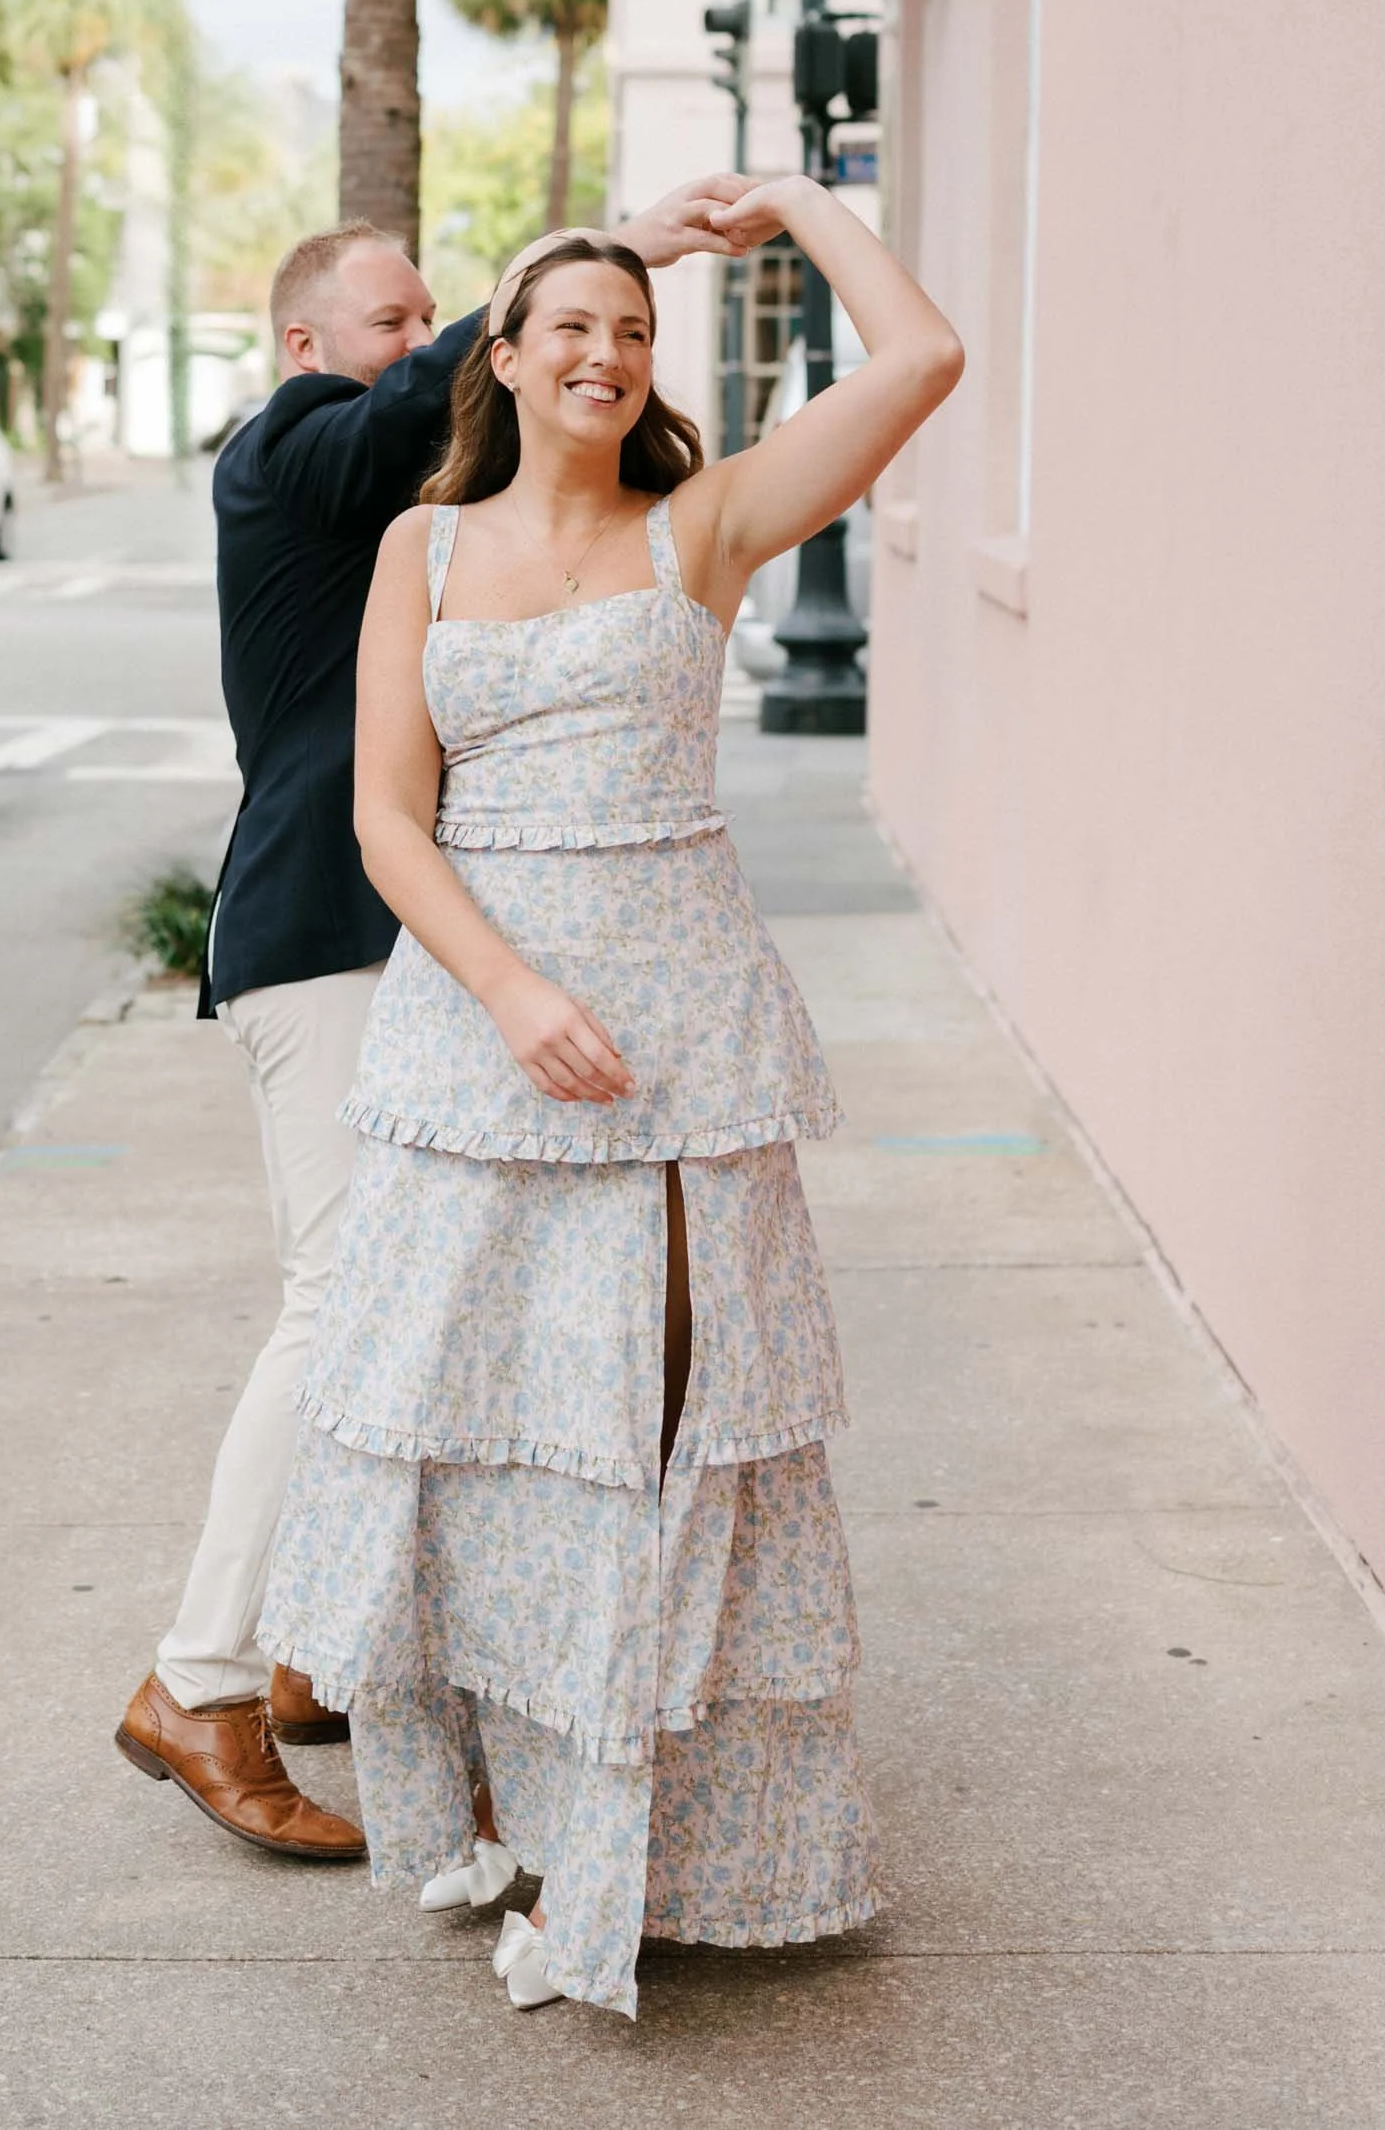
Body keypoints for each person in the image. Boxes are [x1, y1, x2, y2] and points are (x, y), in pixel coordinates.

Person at [260, 180, 964, 2011]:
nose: (605, 351)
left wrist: (801, 202)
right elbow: (388, 819)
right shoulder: (422, 552)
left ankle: (667, 1840)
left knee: (670, 1420)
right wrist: (509, 993)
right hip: (479, 1050)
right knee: (482, 1427)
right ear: (502, 358)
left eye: (633, 330)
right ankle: (536, 1817)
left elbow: (926, 356)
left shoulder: (705, 528)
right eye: (570, 323)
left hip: (681, 1047)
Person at [114, 181, 752, 1861]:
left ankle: (319, 1647)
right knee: (339, 1308)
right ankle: (201, 1681)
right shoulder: (288, 445)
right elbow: (411, 406)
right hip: (325, 932)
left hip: (395, 953)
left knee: (400, 1312)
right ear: (306, 343)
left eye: (430, 315)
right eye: (396, 318)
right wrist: (589, 260)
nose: (421, 345)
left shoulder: (428, 519)